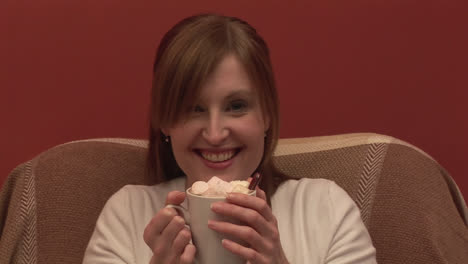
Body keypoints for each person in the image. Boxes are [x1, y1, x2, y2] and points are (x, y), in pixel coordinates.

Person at [83, 14, 377, 264]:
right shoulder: (126, 215)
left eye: (236, 106)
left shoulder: (326, 208)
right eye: (193, 109)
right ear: (165, 122)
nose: (214, 134)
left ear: (267, 115)